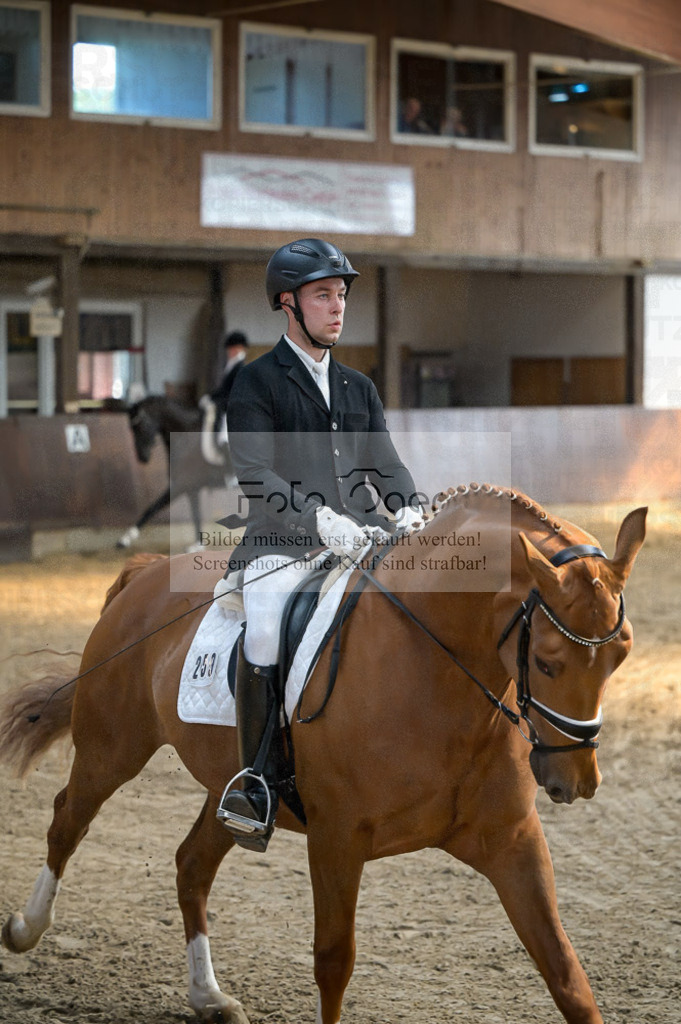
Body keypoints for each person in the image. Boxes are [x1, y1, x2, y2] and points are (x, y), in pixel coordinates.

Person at [217, 237, 423, 847]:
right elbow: (255, 474)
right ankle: (255, 782)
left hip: (360, 536)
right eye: (323, 296)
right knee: (264, 624)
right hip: (281, 544)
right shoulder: (256, 382)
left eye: (341, 295)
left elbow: (386, 464)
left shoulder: (358, 387)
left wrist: (410, 508)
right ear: (288, 303)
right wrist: (319, 520)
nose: (337, 307)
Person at [210, 330, 249, 448]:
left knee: (224, 436)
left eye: (232, 349)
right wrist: (211, 397)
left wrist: (217, 401)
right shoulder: (231, 365)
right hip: (226, 404)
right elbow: (224, 388)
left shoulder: (240, 368)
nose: (229, 352)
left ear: (239, 348)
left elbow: (233, 392)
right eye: (229, 349)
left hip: (233, 408)